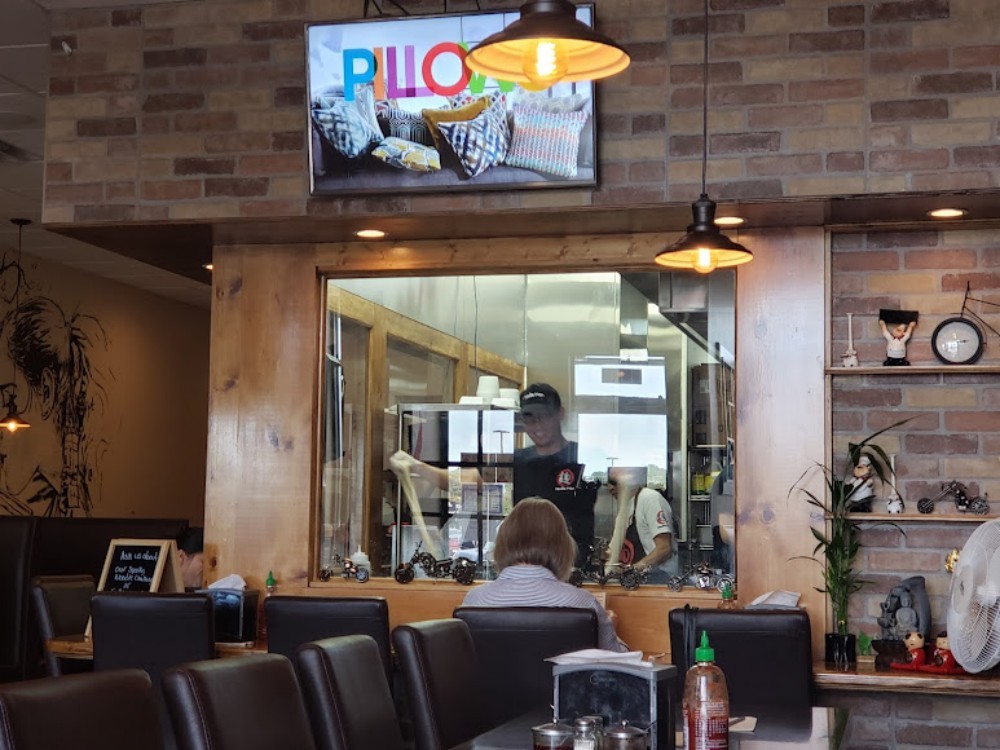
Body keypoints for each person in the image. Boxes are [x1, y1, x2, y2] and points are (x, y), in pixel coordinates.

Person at [392, 383, 597, 567]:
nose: (537, 424)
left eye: (544, 415)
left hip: (573, 567)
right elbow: (467, 480)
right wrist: (417, 466)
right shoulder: (517, 461)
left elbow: (614, 479)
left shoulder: (585, 457)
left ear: (560, 414)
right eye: (529, 417)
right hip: (524, 567)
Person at [462, 497, 628, 652]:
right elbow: (618, 663)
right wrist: (609, 629)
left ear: (503, 543)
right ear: (562, 547)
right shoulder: (583, 603)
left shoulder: (474, 600)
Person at [605, 466, 677, 584]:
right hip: (635, 581)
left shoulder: (650, 499)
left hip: (659, 580)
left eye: (614, 482)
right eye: (608, 483)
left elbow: (664, 549)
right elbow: (612, 552)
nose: (610, 488)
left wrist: (634, 569)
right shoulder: (625, 509)